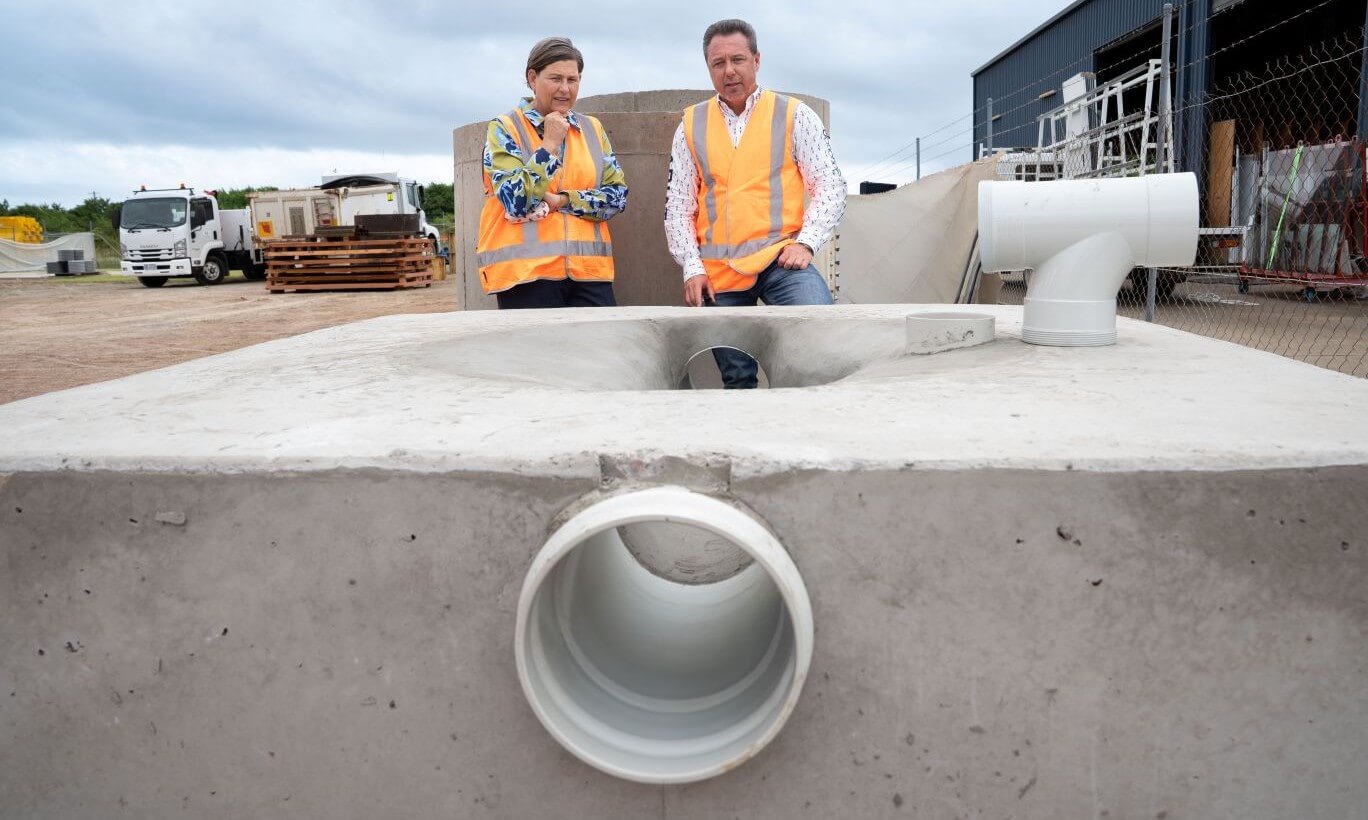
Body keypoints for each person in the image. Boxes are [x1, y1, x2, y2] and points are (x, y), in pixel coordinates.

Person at [664, 18, 846, 388]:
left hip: (780, 260)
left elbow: (831, 185)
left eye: (738, 60)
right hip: (719, 272)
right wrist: (692, 267)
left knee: (819, 331)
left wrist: (806, 242)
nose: (729, 71)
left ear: (756, 61)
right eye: (719, 63)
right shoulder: (690, 125)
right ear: (709, 68)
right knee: (736, 376)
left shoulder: (794, 115)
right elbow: (678, 207)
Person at [477, 37, 628, 309]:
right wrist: (549, 145)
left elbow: (617, 197)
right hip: (527, 277)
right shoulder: (504, 128)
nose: (565, 89)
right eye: (555, 78)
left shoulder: (592, 129)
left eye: (573, 79)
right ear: (532, 78)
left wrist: (563, 201)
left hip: (590, 275)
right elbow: (517, 201)